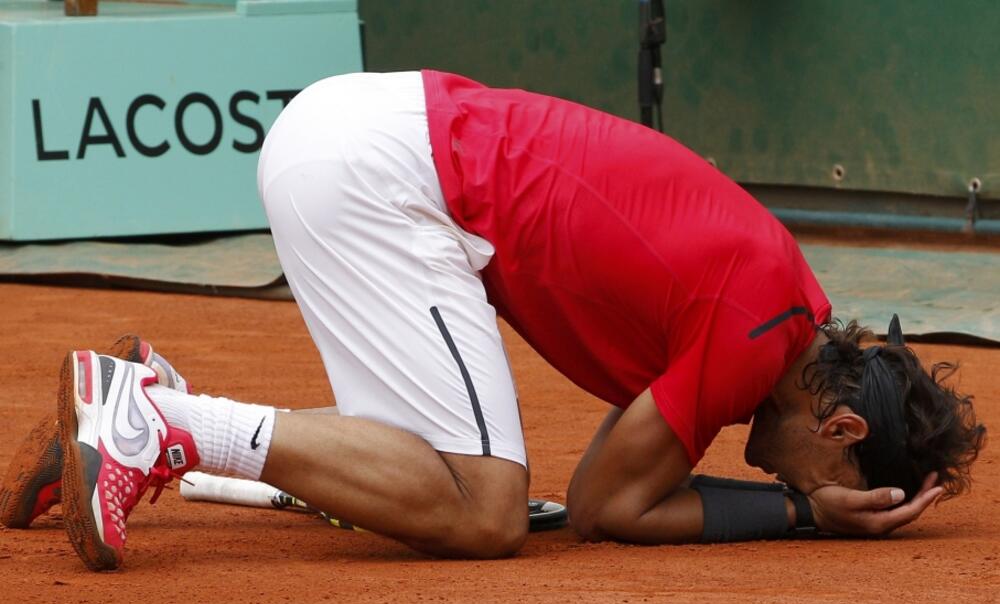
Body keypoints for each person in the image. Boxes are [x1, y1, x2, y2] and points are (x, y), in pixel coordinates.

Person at [1, 71, 985, 570]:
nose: (787, 469)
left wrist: (803, 500)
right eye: (831, 472)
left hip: (362, 145)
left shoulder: (783, 307)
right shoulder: (753, 335)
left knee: (413, 481)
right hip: (390, 178)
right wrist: (802, 513)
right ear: (840, 428)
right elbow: (604, 504)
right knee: (481, 508)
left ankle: (162, 410)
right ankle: (156, 424)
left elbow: (623, 475)